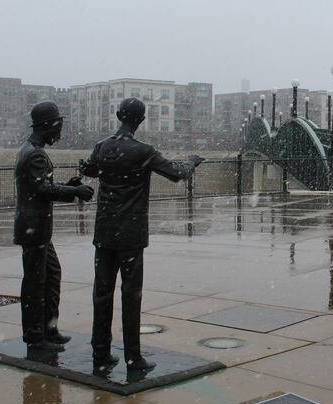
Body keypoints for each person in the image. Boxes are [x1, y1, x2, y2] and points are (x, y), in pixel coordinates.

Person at [82, 97, 204, 371]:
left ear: (117, 115)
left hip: (104, 232)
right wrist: (192, 162)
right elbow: (177, 173)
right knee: (131, 295)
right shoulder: (143, 151)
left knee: (101, 294)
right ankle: (133, 356)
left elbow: (90, 169)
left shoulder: (102, 146)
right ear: (141, 120)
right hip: (131, 234)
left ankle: (100, 354)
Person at [15, 101, 95, 350]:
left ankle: (49, 329)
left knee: (50, 276)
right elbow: (41, 189)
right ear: (47, 126)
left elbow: (40, 185)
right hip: (34, 229)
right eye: (58, 126)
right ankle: (36, 336)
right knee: (35, 283)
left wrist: (68, 185)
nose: (60, 133)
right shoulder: (35, 153)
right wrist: (75, 190)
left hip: (36, 229)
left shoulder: (30, 149)